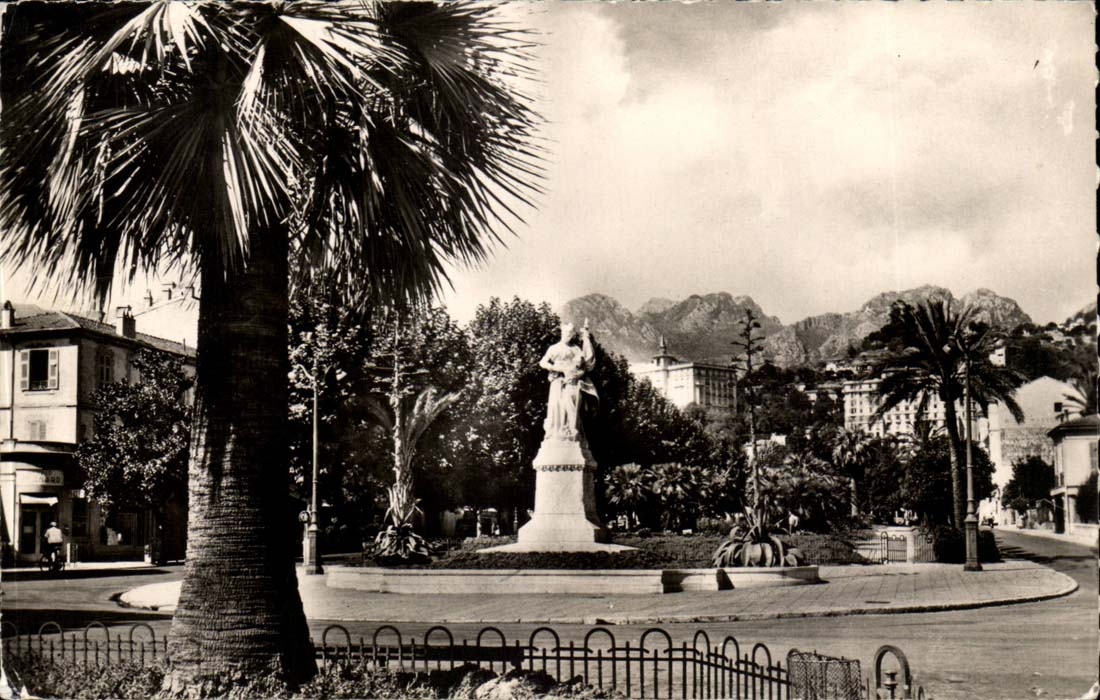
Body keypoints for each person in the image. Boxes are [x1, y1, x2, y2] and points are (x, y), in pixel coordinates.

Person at [538, 320, 597, 442]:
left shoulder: (576, 349)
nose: (569, 335)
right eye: (567, 333)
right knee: (556, 406)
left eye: (571, 334)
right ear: (562, 332)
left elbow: (584, 367)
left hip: (572, 382)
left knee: (570, 406)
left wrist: (576, 374)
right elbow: (543, 362)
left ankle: (571, 433)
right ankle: (555, 434)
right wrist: (556, 368)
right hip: (557, 380)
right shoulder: (554, 348)